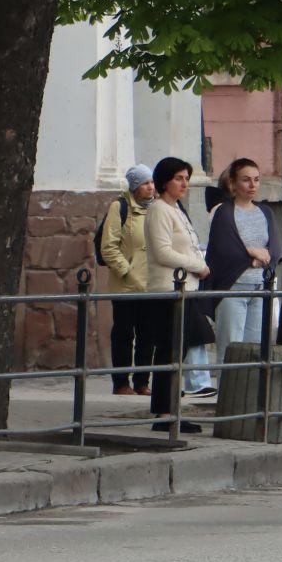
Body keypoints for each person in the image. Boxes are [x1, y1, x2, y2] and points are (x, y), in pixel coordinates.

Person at [146, 156, 211, 431]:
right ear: (165, 181)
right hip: (168, 289)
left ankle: (171, 409)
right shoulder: (159, 209)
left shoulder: (176, 209)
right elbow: (163, 252)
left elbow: (188, 246)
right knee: (170, 351)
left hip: (187, 287)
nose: (184, 183)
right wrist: (199, 266)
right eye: (178, 178)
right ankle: (164, 413)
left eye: (186, 178)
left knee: (182, 348)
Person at [205, 158, 282, 352]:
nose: (252, 185)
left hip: (260, 288)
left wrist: (256, 257)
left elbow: (275, 249)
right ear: (233, 183)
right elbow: (223, 249)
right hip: (233, 289)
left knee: (254, 350)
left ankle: (251, 385)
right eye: (246, 180)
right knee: (229, 350)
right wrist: (252, 254)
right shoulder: (224, 212)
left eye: (256, 179)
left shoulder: (265, 212)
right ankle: (226, 384)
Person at [98, 164, 157, 395]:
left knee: (148, 335)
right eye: (145, 183)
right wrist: (127, 271)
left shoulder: (156, 209)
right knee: (123, 334)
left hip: (151, 284)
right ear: (134, 186)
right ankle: (121, 382)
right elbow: (109, 247)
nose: (150, 187)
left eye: (152, 182)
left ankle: (142, 382)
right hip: (126, 285)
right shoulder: (119, 207)